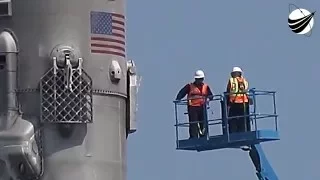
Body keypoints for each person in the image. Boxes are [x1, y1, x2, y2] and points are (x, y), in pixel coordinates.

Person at [176, 70, 214, 139]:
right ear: (195, 79)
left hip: (202, 107)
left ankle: (204, 136)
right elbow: (182, 93)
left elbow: (211, 95)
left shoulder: (206, 87)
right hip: (192, 107)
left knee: (203, 122)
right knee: (193, 123)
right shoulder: (189, 86)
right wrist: (178, 99)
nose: (200, 81)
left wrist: (209, 98)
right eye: (198, 79)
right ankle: (193, 137)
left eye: (201, 79)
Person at [225, 66, 251, 150]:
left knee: (233, 119)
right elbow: (247, 91)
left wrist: (227, 100)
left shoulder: (231, 80)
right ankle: (244, 133)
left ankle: (233, 134)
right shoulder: (245, 81)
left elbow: (228, 91)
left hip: (235, 102)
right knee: (244, 119)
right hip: (244, 102)